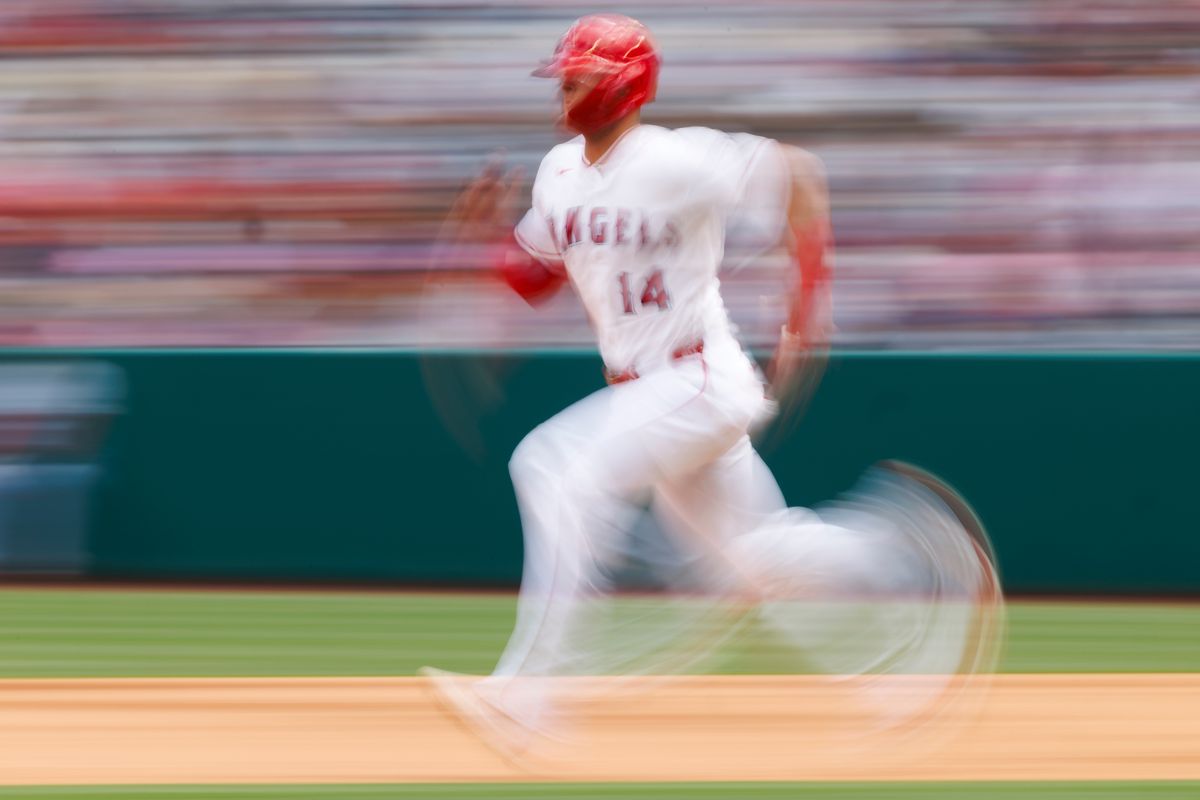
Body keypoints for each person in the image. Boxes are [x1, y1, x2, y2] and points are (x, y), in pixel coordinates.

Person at [423, 13, 999, 760]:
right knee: (757, 560)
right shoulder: (558, 172)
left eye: (579, 73)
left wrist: (806, 308)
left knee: (554, 466)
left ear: (623, 84)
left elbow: (799, 174)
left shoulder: (677, 159)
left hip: (698, 376)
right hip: (655, 393)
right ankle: (921, 550)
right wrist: (481, 236)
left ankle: (530, 701)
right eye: (564, 73)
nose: (563, 86)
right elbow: (535, 275)